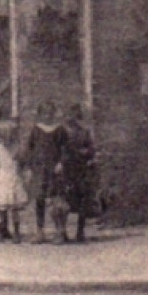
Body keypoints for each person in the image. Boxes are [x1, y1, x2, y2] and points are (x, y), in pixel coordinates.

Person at [21, 101, 68, 243]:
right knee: (39, 199)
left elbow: (65, 149)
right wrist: (28, 167)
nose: (48, 116)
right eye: (45, 113)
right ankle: (39, 231)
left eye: (50, 113)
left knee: (56, 199)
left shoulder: (59, 130)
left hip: (54, 169)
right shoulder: (36, 130)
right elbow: (29, 149)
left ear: (54, 114)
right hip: (39, 170)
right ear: (40, 115)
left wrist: (61, 163)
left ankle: (60, 231)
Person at [61, 104, 98, 243]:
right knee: (64, 200)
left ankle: (80, 231)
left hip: (81, 169)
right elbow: (58, 149)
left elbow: (91, 149)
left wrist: (87, 153)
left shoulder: (84, 132)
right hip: (66, 169)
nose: (72, 118)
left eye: (75, 115)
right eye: (69, 115)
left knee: (83, 200)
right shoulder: (61, 132)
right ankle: (62, 232)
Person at [0, 119, 27, 242]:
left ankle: (16, 231)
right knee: (1, 207)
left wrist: (23, 172)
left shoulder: (17, 148)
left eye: (10, 134)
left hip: (14, 177)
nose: (7, 138)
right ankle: (1, 230)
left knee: (14, 207)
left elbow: (22, 162)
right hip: (1, 178)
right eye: (4, 135)